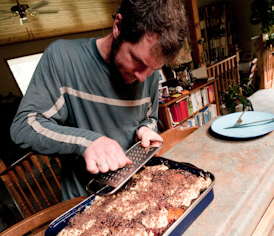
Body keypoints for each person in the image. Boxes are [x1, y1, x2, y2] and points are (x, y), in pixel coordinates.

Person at [10, 0, 188, 200]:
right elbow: (23, 127)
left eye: (152, 68)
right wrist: (87, 142)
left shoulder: (148, 75)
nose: (142, 77)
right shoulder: (63, 58)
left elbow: (151, 117)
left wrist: (146, 128)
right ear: (118, 26)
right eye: (137, 61)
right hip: (85, 201)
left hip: (136, 195)